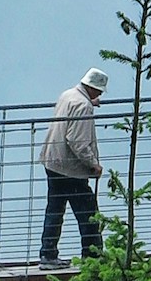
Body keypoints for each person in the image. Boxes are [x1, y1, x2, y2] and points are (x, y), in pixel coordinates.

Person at [40, 67, 107, 263]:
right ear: (93, 89)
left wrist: (89, 104)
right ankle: (92, 256)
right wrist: (93, 164)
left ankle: (47, 253)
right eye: (100, 91)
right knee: (88, 213)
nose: (100, 95)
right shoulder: (83, 106)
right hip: (70, 168)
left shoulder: (68, 95)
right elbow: (77, 141)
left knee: (55, 210)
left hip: (53, 161)